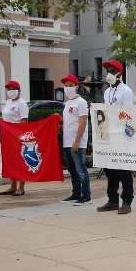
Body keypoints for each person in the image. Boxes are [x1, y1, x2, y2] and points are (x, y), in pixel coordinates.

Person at [96, 59, 135, 215]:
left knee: (124, 170)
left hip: (121, 135)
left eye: (112, 71)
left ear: (119, 73)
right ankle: (112, 200)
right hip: (108, 134)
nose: (109, 73)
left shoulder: (126, 91)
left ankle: (127, 201)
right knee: (109, 169)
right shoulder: (107, 91)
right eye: (108, 71)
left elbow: (128, 114)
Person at [59, 75, 91, 205]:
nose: (68, 88)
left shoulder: (81, 103)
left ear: (77, 87)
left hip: (76, 142)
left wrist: (77, 141)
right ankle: (76, 193)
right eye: (66, 86)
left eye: (71, 85)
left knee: (81, 169)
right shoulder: (67, 104)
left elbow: (83, 123)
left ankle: (86, 195)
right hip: (67, 141)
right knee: (72, 170)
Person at [0, 80, 28, 196]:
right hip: (7, 136)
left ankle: (21, 187)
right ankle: (12, 185)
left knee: (19, 161)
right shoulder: (7, 103)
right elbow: (5, 117)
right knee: (10, 161)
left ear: (19, 91)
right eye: (9, 89)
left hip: (17, 136)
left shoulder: (22, 104)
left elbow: (24, 121)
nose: (11, 91)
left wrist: (21, 135)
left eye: (13, 89)